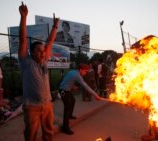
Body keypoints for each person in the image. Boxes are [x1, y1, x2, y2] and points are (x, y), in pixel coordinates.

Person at [18, 2, 59, 141]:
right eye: (39, 51)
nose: (43, 53)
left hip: (47, 104)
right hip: (32, 107)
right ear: (31, 52)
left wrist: (55, 27)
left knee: (48, 132)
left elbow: (49, 43)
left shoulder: (44, 60)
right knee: (31, 135)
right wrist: (24, 17)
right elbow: (23, 39)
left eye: (43, 51)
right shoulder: (26, 61)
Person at [59, 63, 101, 135]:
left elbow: (67, 80)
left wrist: (71, 86)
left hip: (66, 90)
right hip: (63, 91)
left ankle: (70, 115)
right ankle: (65, 128)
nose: (86, 73)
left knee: (73, 100)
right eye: (85, 71)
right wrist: (95, 95)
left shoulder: (73, 72)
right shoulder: (77, 75)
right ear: (81, 70)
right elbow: (86, 86)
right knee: (67, 107)